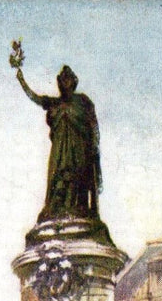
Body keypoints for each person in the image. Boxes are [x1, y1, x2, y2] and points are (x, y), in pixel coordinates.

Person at [15, 59, 102, 222]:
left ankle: (77, 209)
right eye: (62, 80)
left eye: (68, 79)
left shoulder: (83, 101)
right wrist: (22, 81)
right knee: (59, 177)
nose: (65, 82)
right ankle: (59, 208)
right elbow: (36, 98)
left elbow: (93, 125)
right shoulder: (55, 103)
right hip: (60, 152)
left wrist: (95, 147)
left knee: (77, 178)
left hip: (79, 151)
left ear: (74, 82)